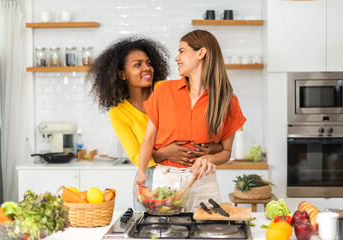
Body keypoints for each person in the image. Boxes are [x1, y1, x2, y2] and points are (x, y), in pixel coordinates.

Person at [86, 36, 222, 210]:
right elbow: (136, 157)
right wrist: (166, 152)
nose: (146, 68)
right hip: (149, 175)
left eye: (148, 63)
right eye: (138, 65)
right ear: (122, 74)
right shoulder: (119, 112)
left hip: (185, 171)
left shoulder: (164, 89)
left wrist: (211, 149)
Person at [136, 30, 246, 211]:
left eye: (182, 51)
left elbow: (226, 152)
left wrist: (210, 157)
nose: (176, 58)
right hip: (166, 180)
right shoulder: (164, 92)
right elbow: (148, 140)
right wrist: (141, 175)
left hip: (203, 182)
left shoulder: (227, 100)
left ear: (201, 53)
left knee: (207, 233)